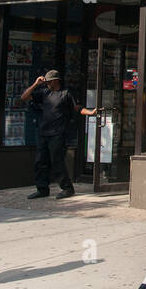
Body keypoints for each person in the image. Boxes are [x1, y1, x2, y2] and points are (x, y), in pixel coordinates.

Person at [21, 70, 96, 199]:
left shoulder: (65, 93)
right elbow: (24, 97)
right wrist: (35, 84)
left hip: (59, 132)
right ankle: (42, 189)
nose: (48, 84)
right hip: (44, 132)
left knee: (57, 161)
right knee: (40, 161)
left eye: (49, 81)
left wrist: (90, 112)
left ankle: (67, 188)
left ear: (56, 80)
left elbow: (77, 109)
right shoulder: (44, 92)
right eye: (47, 82)